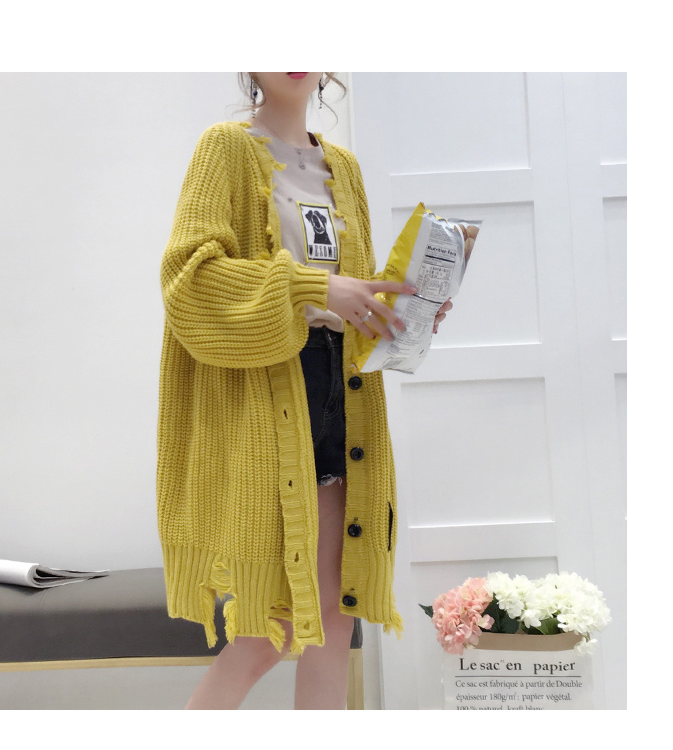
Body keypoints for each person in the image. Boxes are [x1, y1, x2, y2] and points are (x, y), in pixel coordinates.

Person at [157, 72, 453, 710]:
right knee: (271, 630)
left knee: (335, 620)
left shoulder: (342, 166)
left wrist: (407, 311)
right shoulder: (225, 148)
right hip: (269, 398)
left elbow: (354, 299)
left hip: (346, 391)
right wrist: (312, 287)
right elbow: (189, 280)